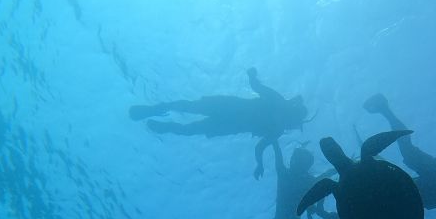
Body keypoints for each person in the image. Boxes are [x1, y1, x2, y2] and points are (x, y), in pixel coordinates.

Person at [130, 68, 308, 178]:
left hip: (228, 112)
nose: (291, 126)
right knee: (190, 116)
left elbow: (259, 147)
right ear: (294, 115)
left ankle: (162, 122)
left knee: (189, 112)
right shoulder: (277, 112)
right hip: (228, 117)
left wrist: (260, 164)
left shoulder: (277, 125)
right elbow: (257, 87)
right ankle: (157, 115)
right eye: (295, 122)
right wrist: (252, 76)